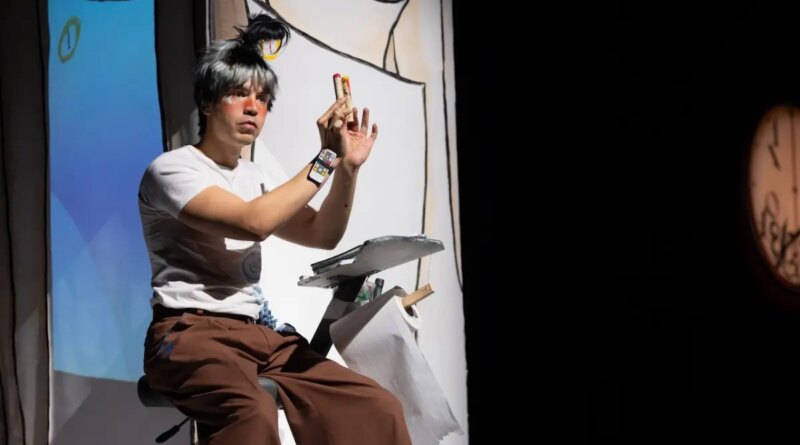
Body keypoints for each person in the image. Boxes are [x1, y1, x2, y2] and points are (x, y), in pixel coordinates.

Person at [137, 14, 412, 445]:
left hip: (258, 336)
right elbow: (254, 223)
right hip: (186, 335)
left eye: (263, 99)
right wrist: (324, 158)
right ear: (207, 103)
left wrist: (346, 167)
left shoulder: (256, 177)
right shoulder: (172, 169)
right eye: (238, 93)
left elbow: (322, 234)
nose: (253, 107)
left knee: (376, 407)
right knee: (250, 411)